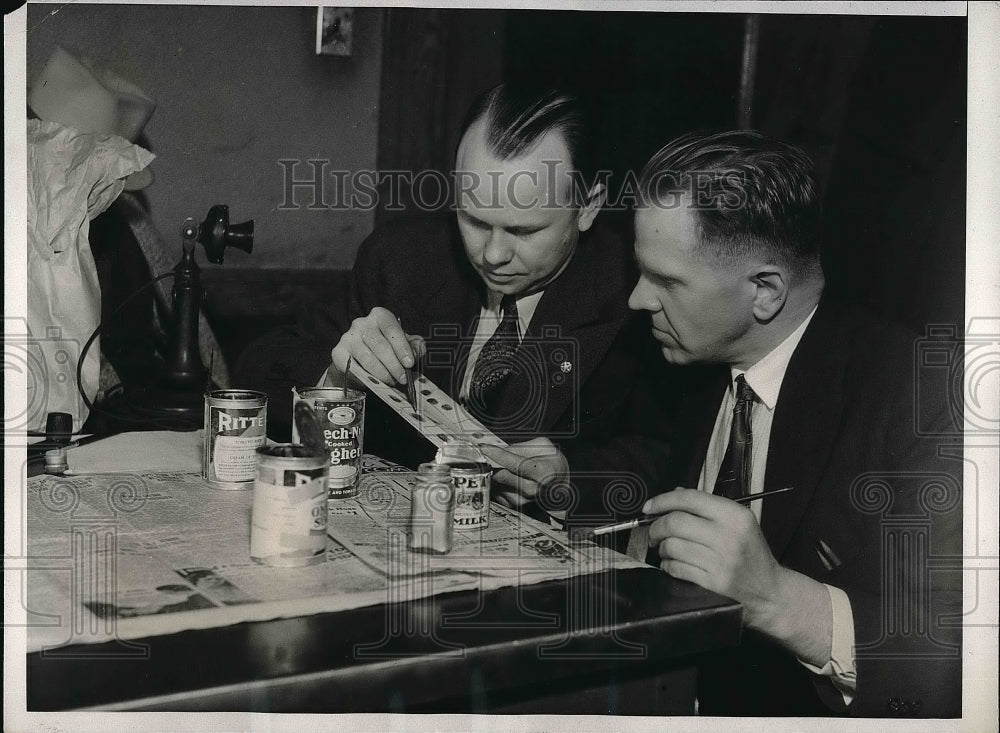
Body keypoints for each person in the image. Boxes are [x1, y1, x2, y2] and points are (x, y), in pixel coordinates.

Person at [625, 130, 962, 717]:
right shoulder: (689, 357)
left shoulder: (927, 400)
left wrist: (776, 600)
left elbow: (958, 655)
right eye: (640, 271)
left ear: (765, 291)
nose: (635, 300)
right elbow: (640, 456)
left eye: (667, 282)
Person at [255, 82, 668, 510]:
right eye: (472, 219)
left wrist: (568, 477)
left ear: (588, 207)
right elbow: (260, 367)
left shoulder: (637, 294)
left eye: (524, 231)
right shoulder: (399, 259)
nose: (492, 255)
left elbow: (668, 455)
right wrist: (335, 380)